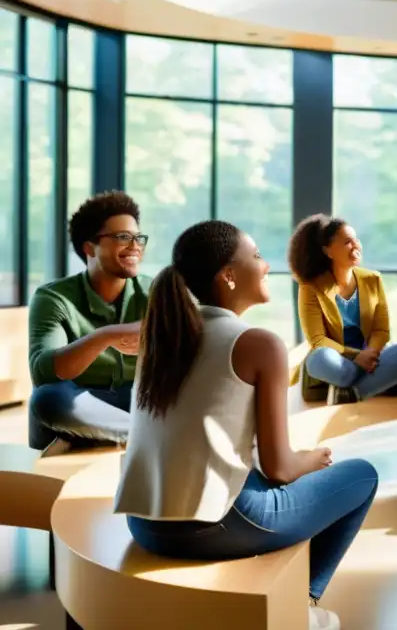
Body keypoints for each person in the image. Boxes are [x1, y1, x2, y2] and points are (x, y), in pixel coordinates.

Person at [114, 221, 378, 630]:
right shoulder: (259, 343)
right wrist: (311, 459)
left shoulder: (162, 334)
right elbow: (280, 468)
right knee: (362, 476)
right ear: (229, 276)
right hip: (211, 527)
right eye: (256, 256)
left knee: (263, 477)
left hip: (144, 523)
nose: (267, 264)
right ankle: (300, 605)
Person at [27, 191, 151, 455]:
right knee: (48, 399)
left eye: (138, 237)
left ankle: (111, 436)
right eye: (122, 237)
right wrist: (105, 336)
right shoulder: (53, 297)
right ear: (89, 247)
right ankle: (148, 436)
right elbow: (43, 372)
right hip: (81, 402)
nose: (135, 246)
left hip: (140, 401)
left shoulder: (159, 292)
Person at [287, 214, 397, 404]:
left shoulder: (372, 279)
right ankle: (374, 383)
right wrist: (356, 356)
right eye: (347, 242)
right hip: (335, 358)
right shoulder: (310, 288)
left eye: (356, 240)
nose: (356, 246)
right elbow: (318, 340)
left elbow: (381, 330)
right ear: (328, 251)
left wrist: (370, 352)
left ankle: (351, 392)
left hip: (369, 357)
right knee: (323, 359)